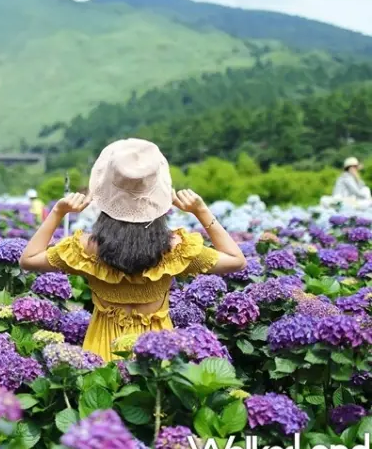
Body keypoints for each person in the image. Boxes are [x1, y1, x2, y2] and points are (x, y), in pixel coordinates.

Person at [19, 138, 247, 362]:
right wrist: (201, 211)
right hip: (157, 356)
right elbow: (236, 260)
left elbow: (28, 259)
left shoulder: (86, 249)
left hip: (101, 354)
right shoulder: (176, 249)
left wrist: (58, 212)